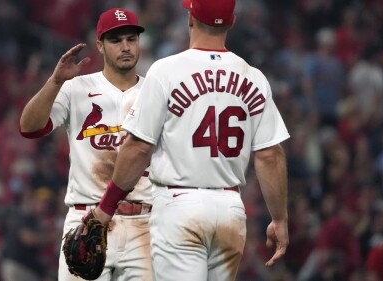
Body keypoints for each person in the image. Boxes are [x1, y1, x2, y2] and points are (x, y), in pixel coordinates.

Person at [90, 0, 290, 280]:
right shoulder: (254, 78)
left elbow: (138, 148)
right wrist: (279, 219)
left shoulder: (166, 71)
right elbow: (270, 155)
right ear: (232, 21)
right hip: (230, 207)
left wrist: (105, 208)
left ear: (190, 18)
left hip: (179, 205)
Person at [19, 7, 153, 281]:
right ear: (100, 46)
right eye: (116, 40)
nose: (125, 47)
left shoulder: (156, 91)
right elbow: (29, 127)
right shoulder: (74, 87)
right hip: (85, 217)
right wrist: (55, 81)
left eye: (131, 39)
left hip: (145, 222)